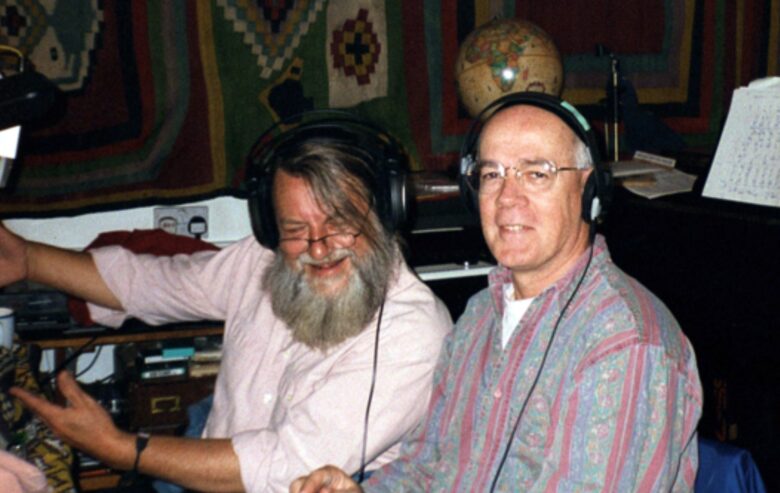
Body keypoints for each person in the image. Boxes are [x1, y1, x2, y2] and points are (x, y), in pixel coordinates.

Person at [3, 120, 452, 493]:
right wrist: (29, 260)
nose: (318, 248)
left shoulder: (413, 332)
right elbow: (154, 283)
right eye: (295, 229)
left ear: (386, 212)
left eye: (341, 223)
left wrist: (122, 449)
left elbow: (281, 466)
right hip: (191, 471)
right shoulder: (265, 259)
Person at [291, 93, 703, 492]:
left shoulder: (624, 345)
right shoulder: (480, 315)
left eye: (536, 173)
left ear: (589, 192)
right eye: (492, 175)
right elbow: (427, 466)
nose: (507, 198)